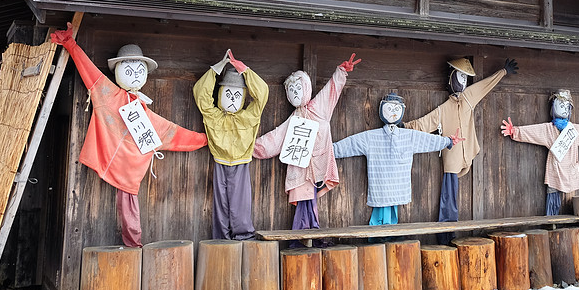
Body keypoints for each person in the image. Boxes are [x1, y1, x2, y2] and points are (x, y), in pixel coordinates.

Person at [50, 23, 208, 247]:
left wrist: (206, 139)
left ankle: (133, 247)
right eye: (129, 70)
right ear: (117, 71)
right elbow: (90, 73)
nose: (135, 75)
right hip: (109, 161)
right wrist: (70, 44)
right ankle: (132, 246)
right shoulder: (109, 95)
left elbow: (174, 134)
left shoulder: (145, 112)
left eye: (139, 70)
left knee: (129, 210)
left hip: (130, 174)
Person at [253, 54, 361, 230]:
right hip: (300, 168)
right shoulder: (293, 119)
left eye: (298, 89)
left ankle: (309, 235)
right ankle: (305, 235)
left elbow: (331, 90)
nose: (296, 94)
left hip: (318, 163)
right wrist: (250, 145)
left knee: (310, 202)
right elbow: (275, 138)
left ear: (307, 88)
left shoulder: (319, 107)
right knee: (304, 202)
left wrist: (341, 72)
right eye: (292, 91)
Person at [405, 56, 517, 223]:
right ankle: (447, 231)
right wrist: (402, 126)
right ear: (451, 78)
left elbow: (483, 86)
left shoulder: (468, 98)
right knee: (449, 195)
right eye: (460, 77)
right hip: (452, 157)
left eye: (465, 78)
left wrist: (503, 72)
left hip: (469, 150)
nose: (463, 82)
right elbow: (423, 124)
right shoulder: (442, 110)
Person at [333, 93, 462, 226]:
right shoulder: (370, 137)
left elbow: (427, 140)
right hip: (380, 186)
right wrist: (330, 150)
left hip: (396, 186)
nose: (393, 113)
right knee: (380, 221)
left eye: (396, 109)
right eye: (389, 109)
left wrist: (447, 141)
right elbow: (350, 145)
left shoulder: (408, 136)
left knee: (391, 220)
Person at [193, 50, 269, 240]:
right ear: (220, 94)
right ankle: (221, 241)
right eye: (228, 93)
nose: (233, 98)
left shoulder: (248, 116)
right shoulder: (214, 115)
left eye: (237, 95)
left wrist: (244, 70)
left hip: (241, 164)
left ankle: (244, 237)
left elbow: (262, 94)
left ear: (243, 97)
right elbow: (200, 94)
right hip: (219, 163)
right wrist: (215, 69)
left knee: (240, 205)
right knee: (221, 207)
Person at [500, 90, 579, 214]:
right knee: (553, 200)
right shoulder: (548, 130)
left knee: (572, 202)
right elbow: (533, 132)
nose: (563, 108)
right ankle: (552, 222)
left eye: (566, 106)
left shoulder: (573, 130)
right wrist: (515, 131)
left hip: (570, 170)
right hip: (555, 169)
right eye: (560, 105)